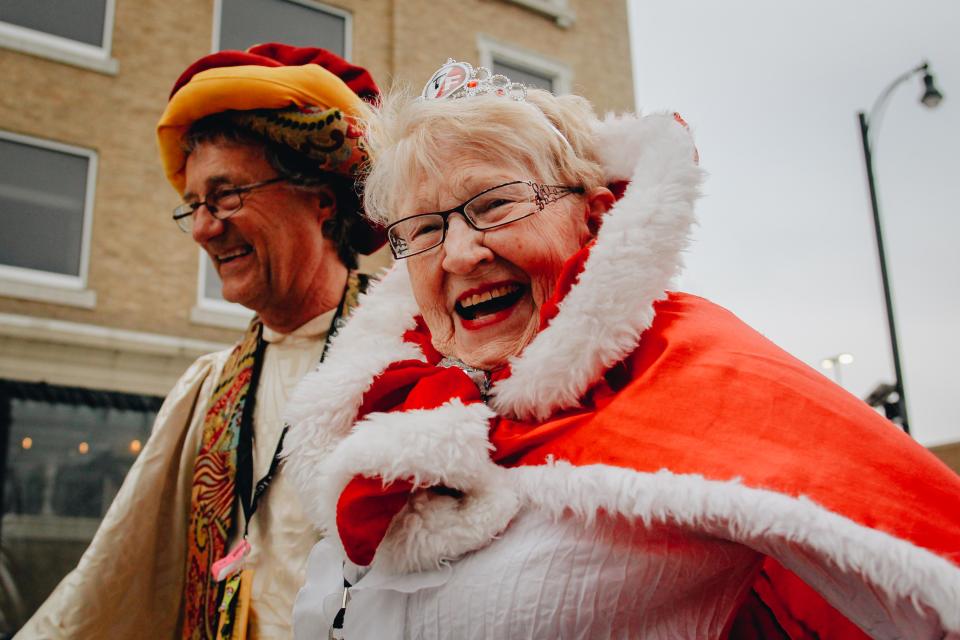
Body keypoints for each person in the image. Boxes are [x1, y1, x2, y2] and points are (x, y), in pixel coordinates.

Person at [282, 60, 960, 639]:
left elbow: (922, 560)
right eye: (424, 228)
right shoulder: (388, 418)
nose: (460, 252)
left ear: (595, 216)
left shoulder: (697, 369)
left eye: (493, 206)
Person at [18, 44, 383, 639]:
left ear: (320, 198)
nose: (205, 229)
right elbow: (109, 584)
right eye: (193, 206)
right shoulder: (209, 390)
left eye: (226, 195)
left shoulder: (412, 361)